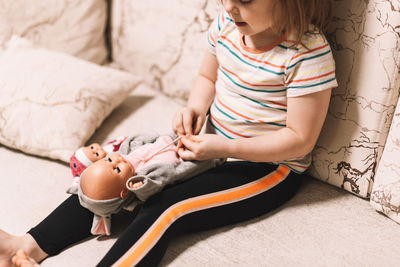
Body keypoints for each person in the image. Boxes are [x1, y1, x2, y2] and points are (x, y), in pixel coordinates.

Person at [0, 0, 337, 266]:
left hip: (269, 168)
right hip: (210, 148)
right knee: (115, 175)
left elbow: (299, 139)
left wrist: (223, 145)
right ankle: (29, 246)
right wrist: (195, 109)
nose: (229, 7)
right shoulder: (226, 25)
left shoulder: (307, 53)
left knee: (168, 208)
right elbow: (207, 79)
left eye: (245, 0)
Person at [67, 133, 223, 236]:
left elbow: (134, 142)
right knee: (192, 167)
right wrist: (141, 186)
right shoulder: (140, 181)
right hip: (181, 158)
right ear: (124, 191)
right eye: (116, 169)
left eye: (107, 160)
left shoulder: (125, 155)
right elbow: (153, 187)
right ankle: (214, 159)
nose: (116, 160)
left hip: (171, 140)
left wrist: (136, 141)